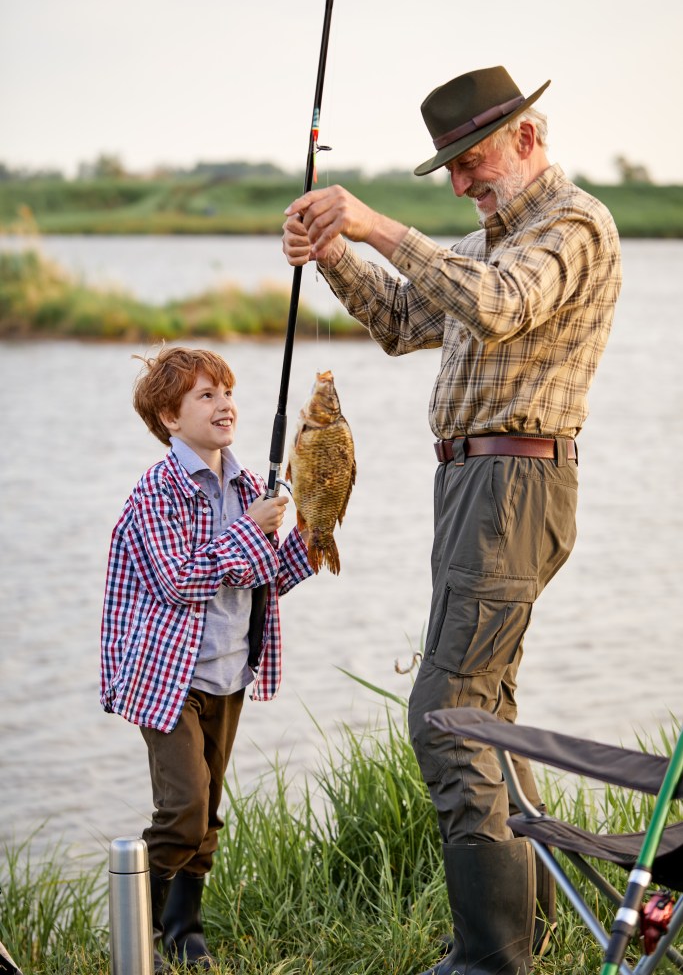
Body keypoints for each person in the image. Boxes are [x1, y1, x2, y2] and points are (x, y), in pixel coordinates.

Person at [282, 65, 622, 974]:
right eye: (453, 170)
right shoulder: (486, 244)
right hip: (473, 490)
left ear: (527, 138)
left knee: (446, 714)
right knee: (487, 710)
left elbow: (498, 306)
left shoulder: (571, 226)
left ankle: (489, 959)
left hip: (514, 487)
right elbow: (400, 319)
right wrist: (334, 253)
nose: (465, 181)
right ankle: (529, 932)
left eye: (471, 161)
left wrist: (378, 224)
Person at [100, 346, 314, 972]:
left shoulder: (251, 485)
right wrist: (250, 528)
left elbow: (265, 576)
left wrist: (312, 529)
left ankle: (183, 930)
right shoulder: (156, 491)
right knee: (184, 809)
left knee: (209, 809)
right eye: (205, 395)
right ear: (170, 417)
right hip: (165, 676)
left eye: (227, 392)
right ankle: (135, 929)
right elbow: (180, 581)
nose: (224, 405)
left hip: (227, 670)